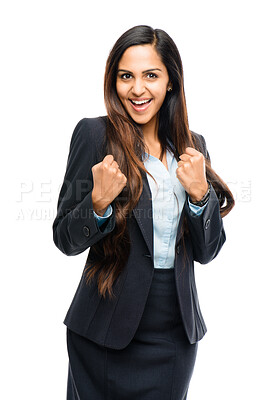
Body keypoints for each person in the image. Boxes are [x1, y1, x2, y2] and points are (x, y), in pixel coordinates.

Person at [52, 25, 235, 400]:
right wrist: (97, 204)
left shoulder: (193, 147)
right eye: (126, 76)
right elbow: (64, 239)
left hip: (174, 333)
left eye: (151, 75)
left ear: (170, 81)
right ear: (114, 81)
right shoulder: (94, 136)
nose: (137, 89)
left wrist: (201, 196)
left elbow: (207, 251)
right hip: (103, 329)